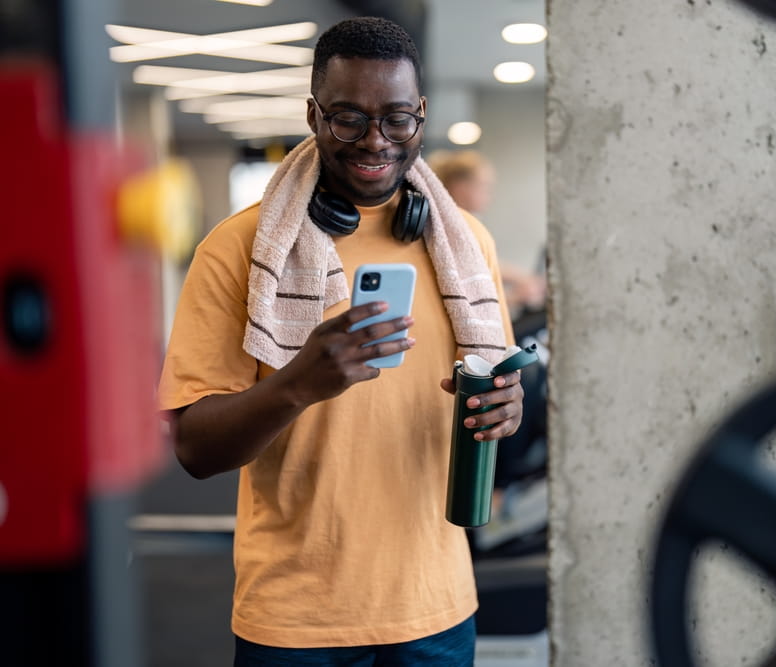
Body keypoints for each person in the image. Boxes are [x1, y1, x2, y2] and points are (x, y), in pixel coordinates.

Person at [157, 16, 526, 666]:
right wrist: (299, 381)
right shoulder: (237, 249)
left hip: (436, 607)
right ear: (313, 113)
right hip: (297, 621)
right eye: (348, 118)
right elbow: (193, 447)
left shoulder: (467, 245)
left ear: (421, 114)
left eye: (396, 119)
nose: (375, 140)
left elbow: (487, 385)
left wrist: (504, 408)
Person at [427, 149, 546, 317]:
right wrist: (515, 297)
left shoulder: (467, 226)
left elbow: (486, 263)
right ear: (460, 187)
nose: (489, 195)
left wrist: (524, 279)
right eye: (484, 187)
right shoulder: (450, 230)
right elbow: (462, 299)